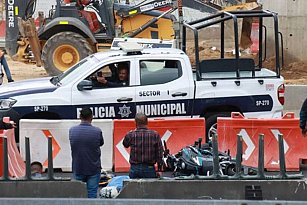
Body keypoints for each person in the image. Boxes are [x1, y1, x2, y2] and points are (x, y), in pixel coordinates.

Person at [69, 107, 104, 198]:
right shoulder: (97, 131)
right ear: (91, 117)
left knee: (78, 194)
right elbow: (101, 143)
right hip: (93, 168)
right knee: (92, 193)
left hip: (78, 167)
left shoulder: (72, 130)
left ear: (80, 117)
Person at [123, 112, 163, 178]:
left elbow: (125, 144)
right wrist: (159, 169)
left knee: (133, 187)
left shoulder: (131, 134)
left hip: (135, 167)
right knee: (149, 187)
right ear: (147, 122)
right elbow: (159, 153)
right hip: (149, 167)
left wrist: (129, 134)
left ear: (135, 123)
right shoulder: (155, 134)